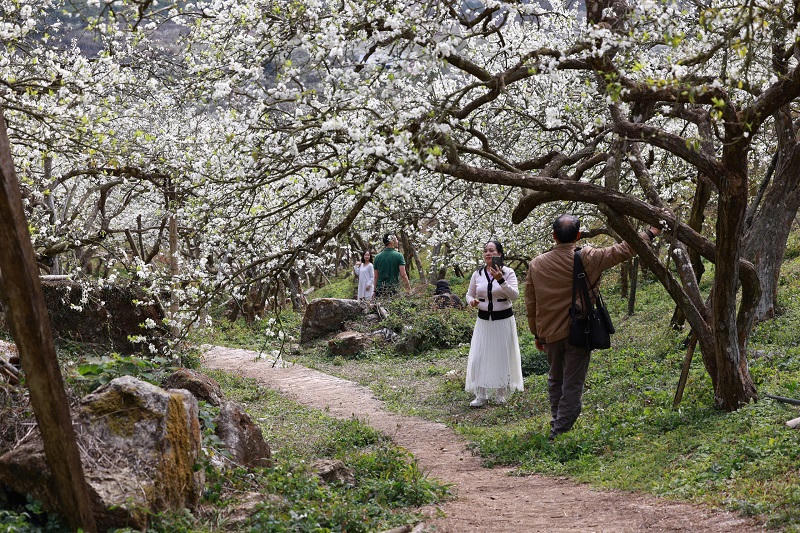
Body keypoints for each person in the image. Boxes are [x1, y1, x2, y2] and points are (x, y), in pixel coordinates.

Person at [525, 214, 661, 439]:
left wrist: (536, 333)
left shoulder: (536, 264)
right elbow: (623, 250)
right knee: (572, 383)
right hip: (578, 330)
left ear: (553, 236)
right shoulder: (588, 257)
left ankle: (557, 422)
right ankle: (558, 432)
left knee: (555, 379)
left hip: (549, 332)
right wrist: (650, 233)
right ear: (578, 235)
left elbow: (531, 303)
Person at [464, 240, 523, 407]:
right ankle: (481, 394)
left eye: (492, 250)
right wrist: (472, 302)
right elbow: (469, 294)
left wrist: (501, 280)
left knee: (501, 355)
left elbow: (514, 296)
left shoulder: (508, 272)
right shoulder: (478, 274)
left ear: (499, 254)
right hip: (483, 320)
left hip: (503, 320)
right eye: (485, 251)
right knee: (479, 356)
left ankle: (500, 393)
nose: (488, 254)